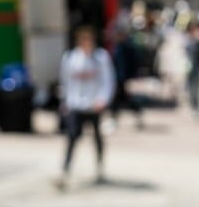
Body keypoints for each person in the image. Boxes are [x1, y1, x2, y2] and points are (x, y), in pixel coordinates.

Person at [56, 26, 115, 190]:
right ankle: (65, 170)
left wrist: (103, 99)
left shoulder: (100, 57)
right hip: (76, 104)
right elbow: (65, 81)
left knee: (97, 137)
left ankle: (99, 167)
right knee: (72, 136)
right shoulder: (71, 58)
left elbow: (108, 80)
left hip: (94, 105)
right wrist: (65, 102)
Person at [110, 28, 144, 130]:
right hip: (118, 78)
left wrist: (131, 77)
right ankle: (115, 119)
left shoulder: (128, 48)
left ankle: (135, 113)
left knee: (122, 100)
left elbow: (133, 64)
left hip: (123, 78)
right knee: (119, 100)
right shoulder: (117, 47)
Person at [184, 21, 199, 119]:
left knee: (196, 90)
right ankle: (192, 107)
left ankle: (196, 108)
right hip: (187, 69)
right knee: (189, 89)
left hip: (196, 70)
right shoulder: (186, 43)